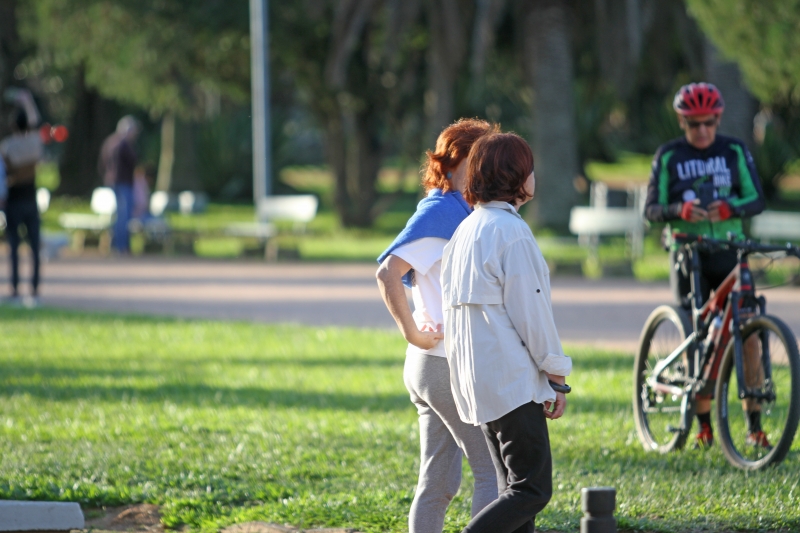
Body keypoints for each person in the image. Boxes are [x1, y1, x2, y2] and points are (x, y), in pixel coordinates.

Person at [441, 132, 572, 533]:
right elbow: (532, 313)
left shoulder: (465, 231)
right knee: (532, 490)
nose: (534, 174)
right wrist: (556, 375)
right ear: (516, 176)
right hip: (510, 382)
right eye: (529, 167)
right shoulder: (511, 233)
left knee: (512, 493)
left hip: (476, 384)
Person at [376, 119, 499, 533]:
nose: (488, 164)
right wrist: (411, 332)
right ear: (456, 159)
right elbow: (388, 272)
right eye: (481, 154)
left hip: (432, 365)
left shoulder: (461, 208)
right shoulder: (442, 208)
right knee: (495, 475)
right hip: (442, 363)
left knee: (439, 482)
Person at [644, 82, 768, 449]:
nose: (702, 131)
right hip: (689, 253)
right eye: (694, 124)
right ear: (683, 122)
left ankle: (754, 425)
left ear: (717, 120)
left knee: (749, 334)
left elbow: (757, 198)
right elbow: (651, 210)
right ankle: (702, 426)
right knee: (696, 334)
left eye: (708, 123)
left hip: (729, 248)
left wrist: (731, 208)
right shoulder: (669, 156)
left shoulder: (734, 150)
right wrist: (678, 211)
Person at [0, 106, 44, 307]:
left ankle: (15, 289)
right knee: (34, 248)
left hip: (14, 201)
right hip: (31, 199)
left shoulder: (7, 146)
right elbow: (36, 123)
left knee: (14, 247)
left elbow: (3, 176)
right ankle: (34, 289)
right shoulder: (35, 143)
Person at [99, 116, 141, 254]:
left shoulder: (110, 142)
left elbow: (103, 162)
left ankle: (117, 245)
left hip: (114, 182)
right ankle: (121, 246)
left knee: (120, 215)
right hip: (123, 182)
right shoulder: (123, 144)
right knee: (124, 216)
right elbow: (132, 161)